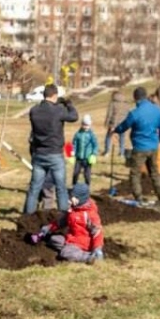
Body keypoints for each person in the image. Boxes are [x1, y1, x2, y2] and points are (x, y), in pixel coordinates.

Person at [114, 87, 160, 207]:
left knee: (135, 173)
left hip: (140, 148)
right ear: (146, 96)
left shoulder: (135, 113)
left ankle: (139, 197)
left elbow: (124, 126)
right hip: (153, 147)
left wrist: (116, 130)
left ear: (135, 98)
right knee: (154, 173)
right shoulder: (157, 111)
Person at [23, 84, 78, 213]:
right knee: (61, 188)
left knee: (34, 189)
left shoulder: (34, 110)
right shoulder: (58, 110)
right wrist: (68, 103)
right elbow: (74, 116)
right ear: (55, 95)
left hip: (39, 154)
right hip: (55, 154)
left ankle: (28, 217)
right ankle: (63, 216)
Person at [27, 183, 104, 263]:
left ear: (80, 199)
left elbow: (97, 233)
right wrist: (47, 228)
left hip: (83, 244)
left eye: (72, 198)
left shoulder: (90, 215)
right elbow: (61, 222)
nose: (69, 200)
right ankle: (71, 249)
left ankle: (88, 257)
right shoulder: (73, 210)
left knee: (65, 253)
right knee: (53, 239)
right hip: (72, 238)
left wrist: (97, 249)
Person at [71, 114, 99, 187]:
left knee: (87, 174)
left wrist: (94, 154)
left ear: (90, 125)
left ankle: (87, 186)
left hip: (87, 158)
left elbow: (95, 145)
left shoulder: (91, 135)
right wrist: (73, 151)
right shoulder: (78, 134)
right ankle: (74, 185)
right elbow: (74, 143)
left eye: (87, 125)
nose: (85, 127)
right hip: (78, 158)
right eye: (84, 125)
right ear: (81, 124)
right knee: (75, 173)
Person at [102, 90, 131, 156]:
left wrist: (107, 123)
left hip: (113, 123)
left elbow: (109, 114)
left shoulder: (112, 103)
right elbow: (128, 114)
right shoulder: (126, 104)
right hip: (123, 124)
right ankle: (121, 152)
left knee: (108, 137)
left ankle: (107, 151)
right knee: (122, 138)